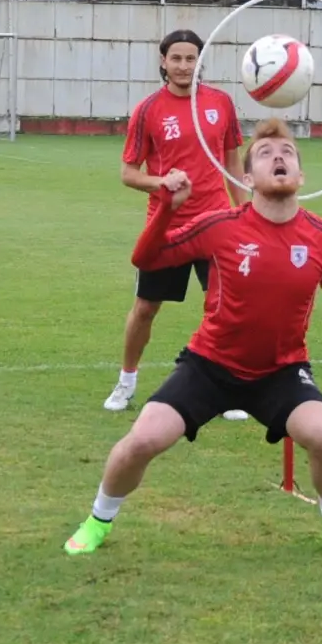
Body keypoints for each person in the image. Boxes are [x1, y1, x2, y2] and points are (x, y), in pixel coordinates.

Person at [65, 118, 322, 561]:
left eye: (287, 152)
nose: (278, 157)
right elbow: (145, 257)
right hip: (210, 366)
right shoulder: (219, 225)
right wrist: (167, 206)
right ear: (247, 178)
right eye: (265, 154)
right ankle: (97, 520)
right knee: (143, 440)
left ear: (301, 175)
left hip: (282, 372)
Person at [103, 29, 249, 422]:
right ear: (163, 62)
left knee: (223, 308)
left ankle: (227, 389)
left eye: (191, 59)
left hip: (216, 224)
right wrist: (161, 183)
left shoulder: (221, 103)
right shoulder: (148, 110)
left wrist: (246, 214)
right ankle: (127, 381)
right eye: (177, 59)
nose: (184, 66)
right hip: (167, 229)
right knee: (146, 308)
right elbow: (128, 173)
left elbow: (233, 164)